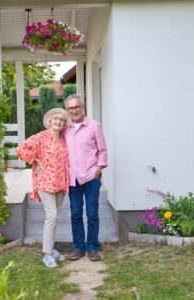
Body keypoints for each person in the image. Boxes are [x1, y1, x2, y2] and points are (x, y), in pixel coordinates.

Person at [16, 108, 71, 268]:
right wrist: (34, 160)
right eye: (55, 119)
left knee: (54, 217)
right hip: (45, 182)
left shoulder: (63, 140)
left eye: (61, 120)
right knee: (51, 216)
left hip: (60, 183)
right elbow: (20, 149)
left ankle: (51, 249)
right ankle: (47, 255)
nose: (58, 122)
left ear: (64, 124)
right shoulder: (41, 137)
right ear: (49, 121)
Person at [64, 95, 108, 262]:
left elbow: (102, 150)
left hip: (91, 176)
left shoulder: (94, 126)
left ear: (82, 108)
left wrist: (99, 168)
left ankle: (92, 248)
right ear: (67, 111)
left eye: (77, 107)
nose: (74, 110)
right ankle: (79, 247)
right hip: (72, 178)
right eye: (70, 108)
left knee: (92, 213)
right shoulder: (65, 129)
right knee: (75, 213)